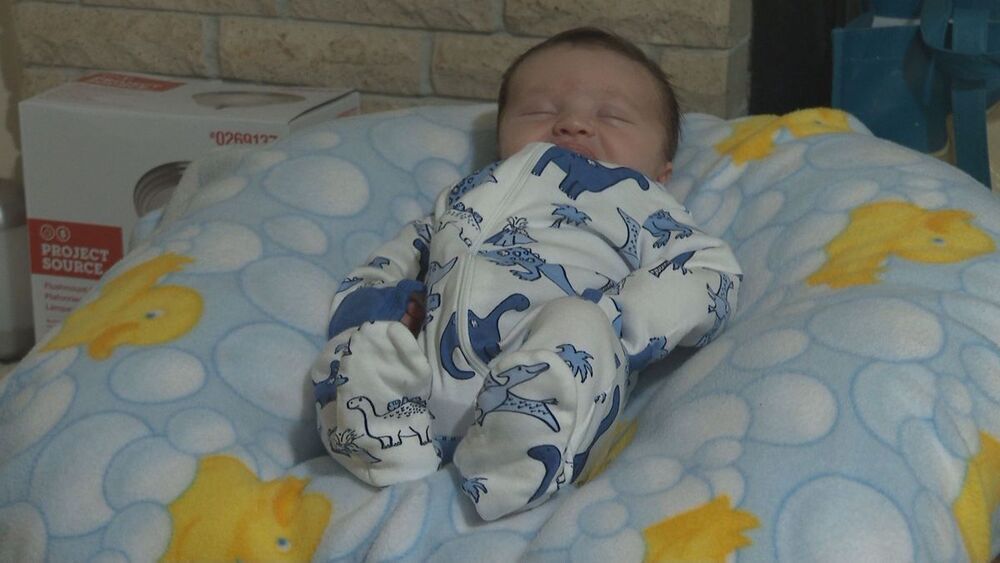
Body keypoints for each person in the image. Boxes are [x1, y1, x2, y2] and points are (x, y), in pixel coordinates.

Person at [310, 27, 742, 521]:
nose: (573, 124)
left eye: (613, 115)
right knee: (360, 349)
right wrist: (386, 309)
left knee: (574, 326)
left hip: (555, 366)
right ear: (500, 140)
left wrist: (612, 320)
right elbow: (385, 264)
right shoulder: (465, 196)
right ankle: (387, 446)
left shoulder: (642, 202)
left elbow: (710, 273)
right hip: (424, 375)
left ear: (663, 171)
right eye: (539, 110)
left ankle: (520, 456)